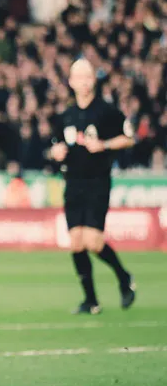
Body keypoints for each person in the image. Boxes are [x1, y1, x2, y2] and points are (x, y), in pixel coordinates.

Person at [49, 59, 136, 315]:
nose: (84, 81)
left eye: (88, 76)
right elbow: (54, 145)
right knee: (76, 242)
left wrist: (105, 145)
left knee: (94, 242)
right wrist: (56, 151)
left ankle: (124, 276)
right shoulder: (66, 115)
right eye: (79, 77)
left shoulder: (107, 112)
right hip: (73, 182)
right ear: (71, 82)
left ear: (93, 80)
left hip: (97, 181)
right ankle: (91, 300)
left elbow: (128, 138)